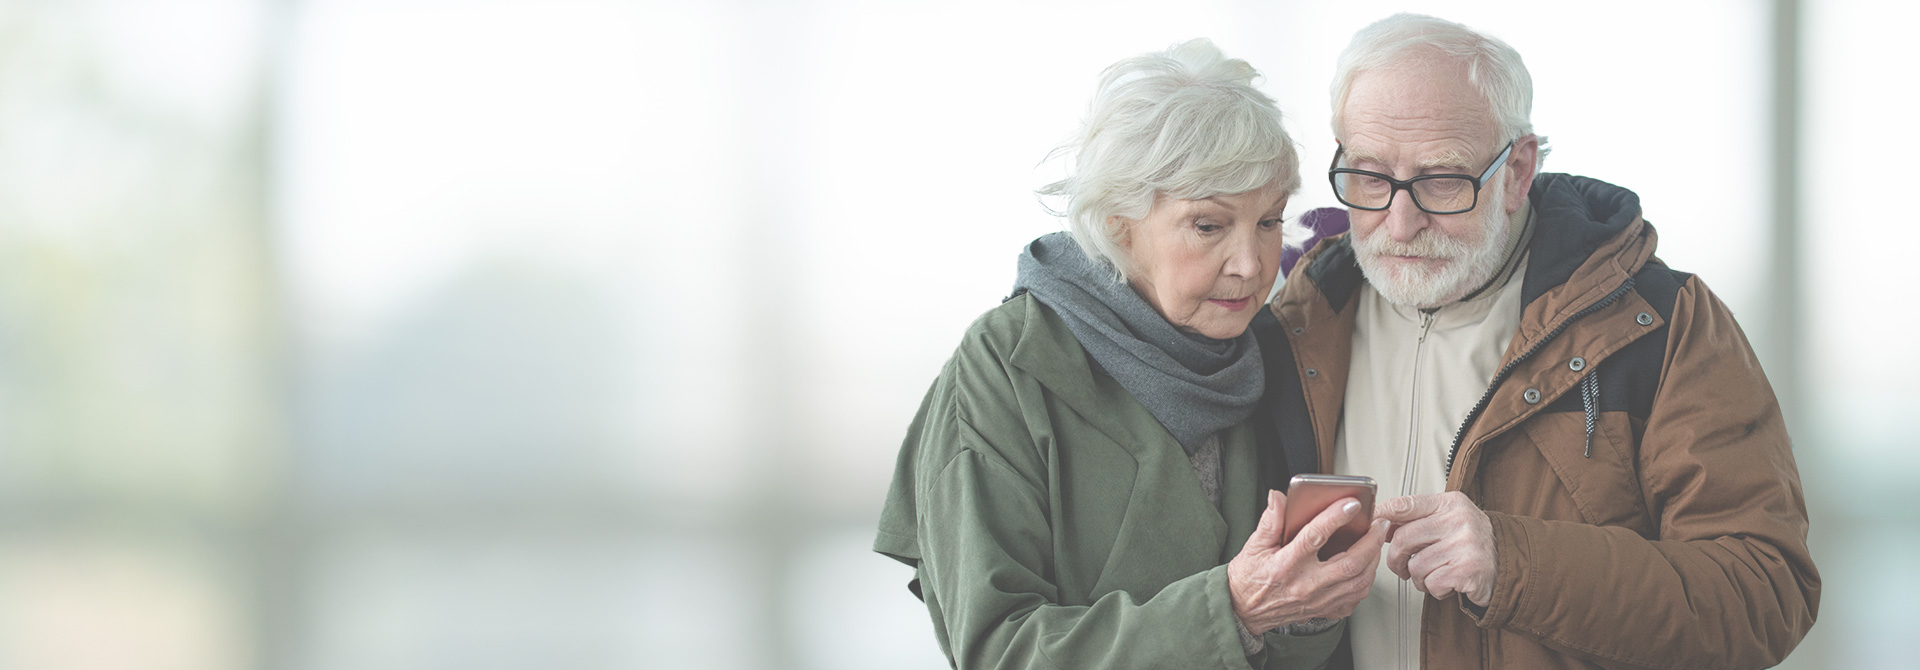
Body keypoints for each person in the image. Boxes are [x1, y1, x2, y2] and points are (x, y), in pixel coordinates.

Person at [1250, 14, 1821, 669]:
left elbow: (1765, 596)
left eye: (1441, 180)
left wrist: (1510, 562)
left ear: (1518, 169)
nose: (1399, 223)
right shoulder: (1294, 324)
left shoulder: (1661, 323)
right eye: (1371, 177)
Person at [875, 39, 1389, 669]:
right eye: (1208, 225)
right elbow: (997, 653)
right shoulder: (1006, 366)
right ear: (1119, 221)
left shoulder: (1263, 354)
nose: (1252, 265)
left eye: (1269, 221)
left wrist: (1308, 607)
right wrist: (1234, 609)